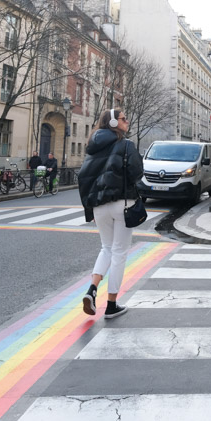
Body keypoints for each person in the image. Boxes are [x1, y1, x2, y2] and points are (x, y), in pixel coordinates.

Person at [78, 108, 142, 320]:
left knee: (106, 248)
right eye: (124, 118)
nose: (127, 121)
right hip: (121, 203)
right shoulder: (126, 145)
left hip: (99, 205)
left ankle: (92, 289)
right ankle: (112, 304)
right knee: (119, 252)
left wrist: (90, 208)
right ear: (114, 123)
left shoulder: (92, 148)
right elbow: (137, 172)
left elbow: (83, 179)